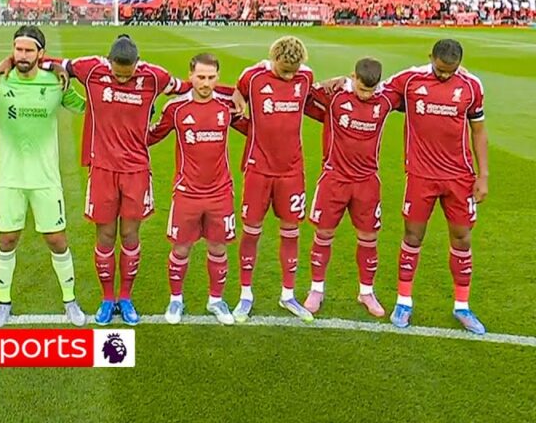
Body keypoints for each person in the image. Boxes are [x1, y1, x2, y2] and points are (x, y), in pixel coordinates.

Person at [12, 35, 200, 326]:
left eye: (128, 75)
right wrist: (30, 65)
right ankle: (107, 298)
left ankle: (125, 297)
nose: (123, 80)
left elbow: (192, 87)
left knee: (130, 236)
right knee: (105, 236)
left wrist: (232, 93)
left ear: (138, 64)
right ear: (109, 62)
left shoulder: (154, 77)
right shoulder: (92, 69)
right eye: (117, 74)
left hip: (136, 171)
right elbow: (49, 63)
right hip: (102, 169)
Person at [358, 39, 487, 333]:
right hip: (420, 175)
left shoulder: (471, 86)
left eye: (450, 71)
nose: (444, 75)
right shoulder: (410, 80)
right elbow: (374, 93)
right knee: (413, 236)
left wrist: (484, 175)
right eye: (440, 70)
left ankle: (462, 307)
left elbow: (478, 129)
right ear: (431, 58)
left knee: (462, 239)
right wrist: (343, 84)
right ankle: (404, 301)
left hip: (459, 177)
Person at [0, 26, 87, 328]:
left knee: (57, 240)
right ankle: (3, 303)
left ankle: (70, 300)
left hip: (46, 179)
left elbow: (90, 108)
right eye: (17, 50)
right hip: (9, 179)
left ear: (41, 54)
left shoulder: (55, 83)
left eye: (28, 50)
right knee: (7, 239)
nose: (22, 56)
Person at [302, 58, 402, 317]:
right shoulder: (335, 97)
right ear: (353, 77)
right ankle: (316, 289)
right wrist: (331, 81)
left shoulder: (385, 101)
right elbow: (302, 90)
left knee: (369, 238)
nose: (366, 95)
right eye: (361, 88)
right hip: (334, 178)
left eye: (371, 90)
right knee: (323, 235)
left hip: (367, 181)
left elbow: (409, 84)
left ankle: (366, 292)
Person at [148, 53, 238, 326]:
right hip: (186, 192)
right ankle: (176, 299)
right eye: (200, 77)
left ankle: (215, 299)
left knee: (218, 248)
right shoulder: (176, 109)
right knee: (181, 249)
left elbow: (256, 124)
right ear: (190, 76)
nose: (206, 83)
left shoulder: (227, 107)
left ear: (217, 77)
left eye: (211, 78)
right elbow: (151, 136)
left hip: (220, 193)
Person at [233, 36, 315, 323]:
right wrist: (240, 104)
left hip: (292, 170)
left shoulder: (306, 77)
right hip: (258, 167)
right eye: (284, 70)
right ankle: (245, 295)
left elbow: (316, 97)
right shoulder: (253, 76)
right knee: (251, 231)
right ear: (274, 58)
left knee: (291, 231)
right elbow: (236, 92)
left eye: (294, 70)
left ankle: (288, 295)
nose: (290, 75)